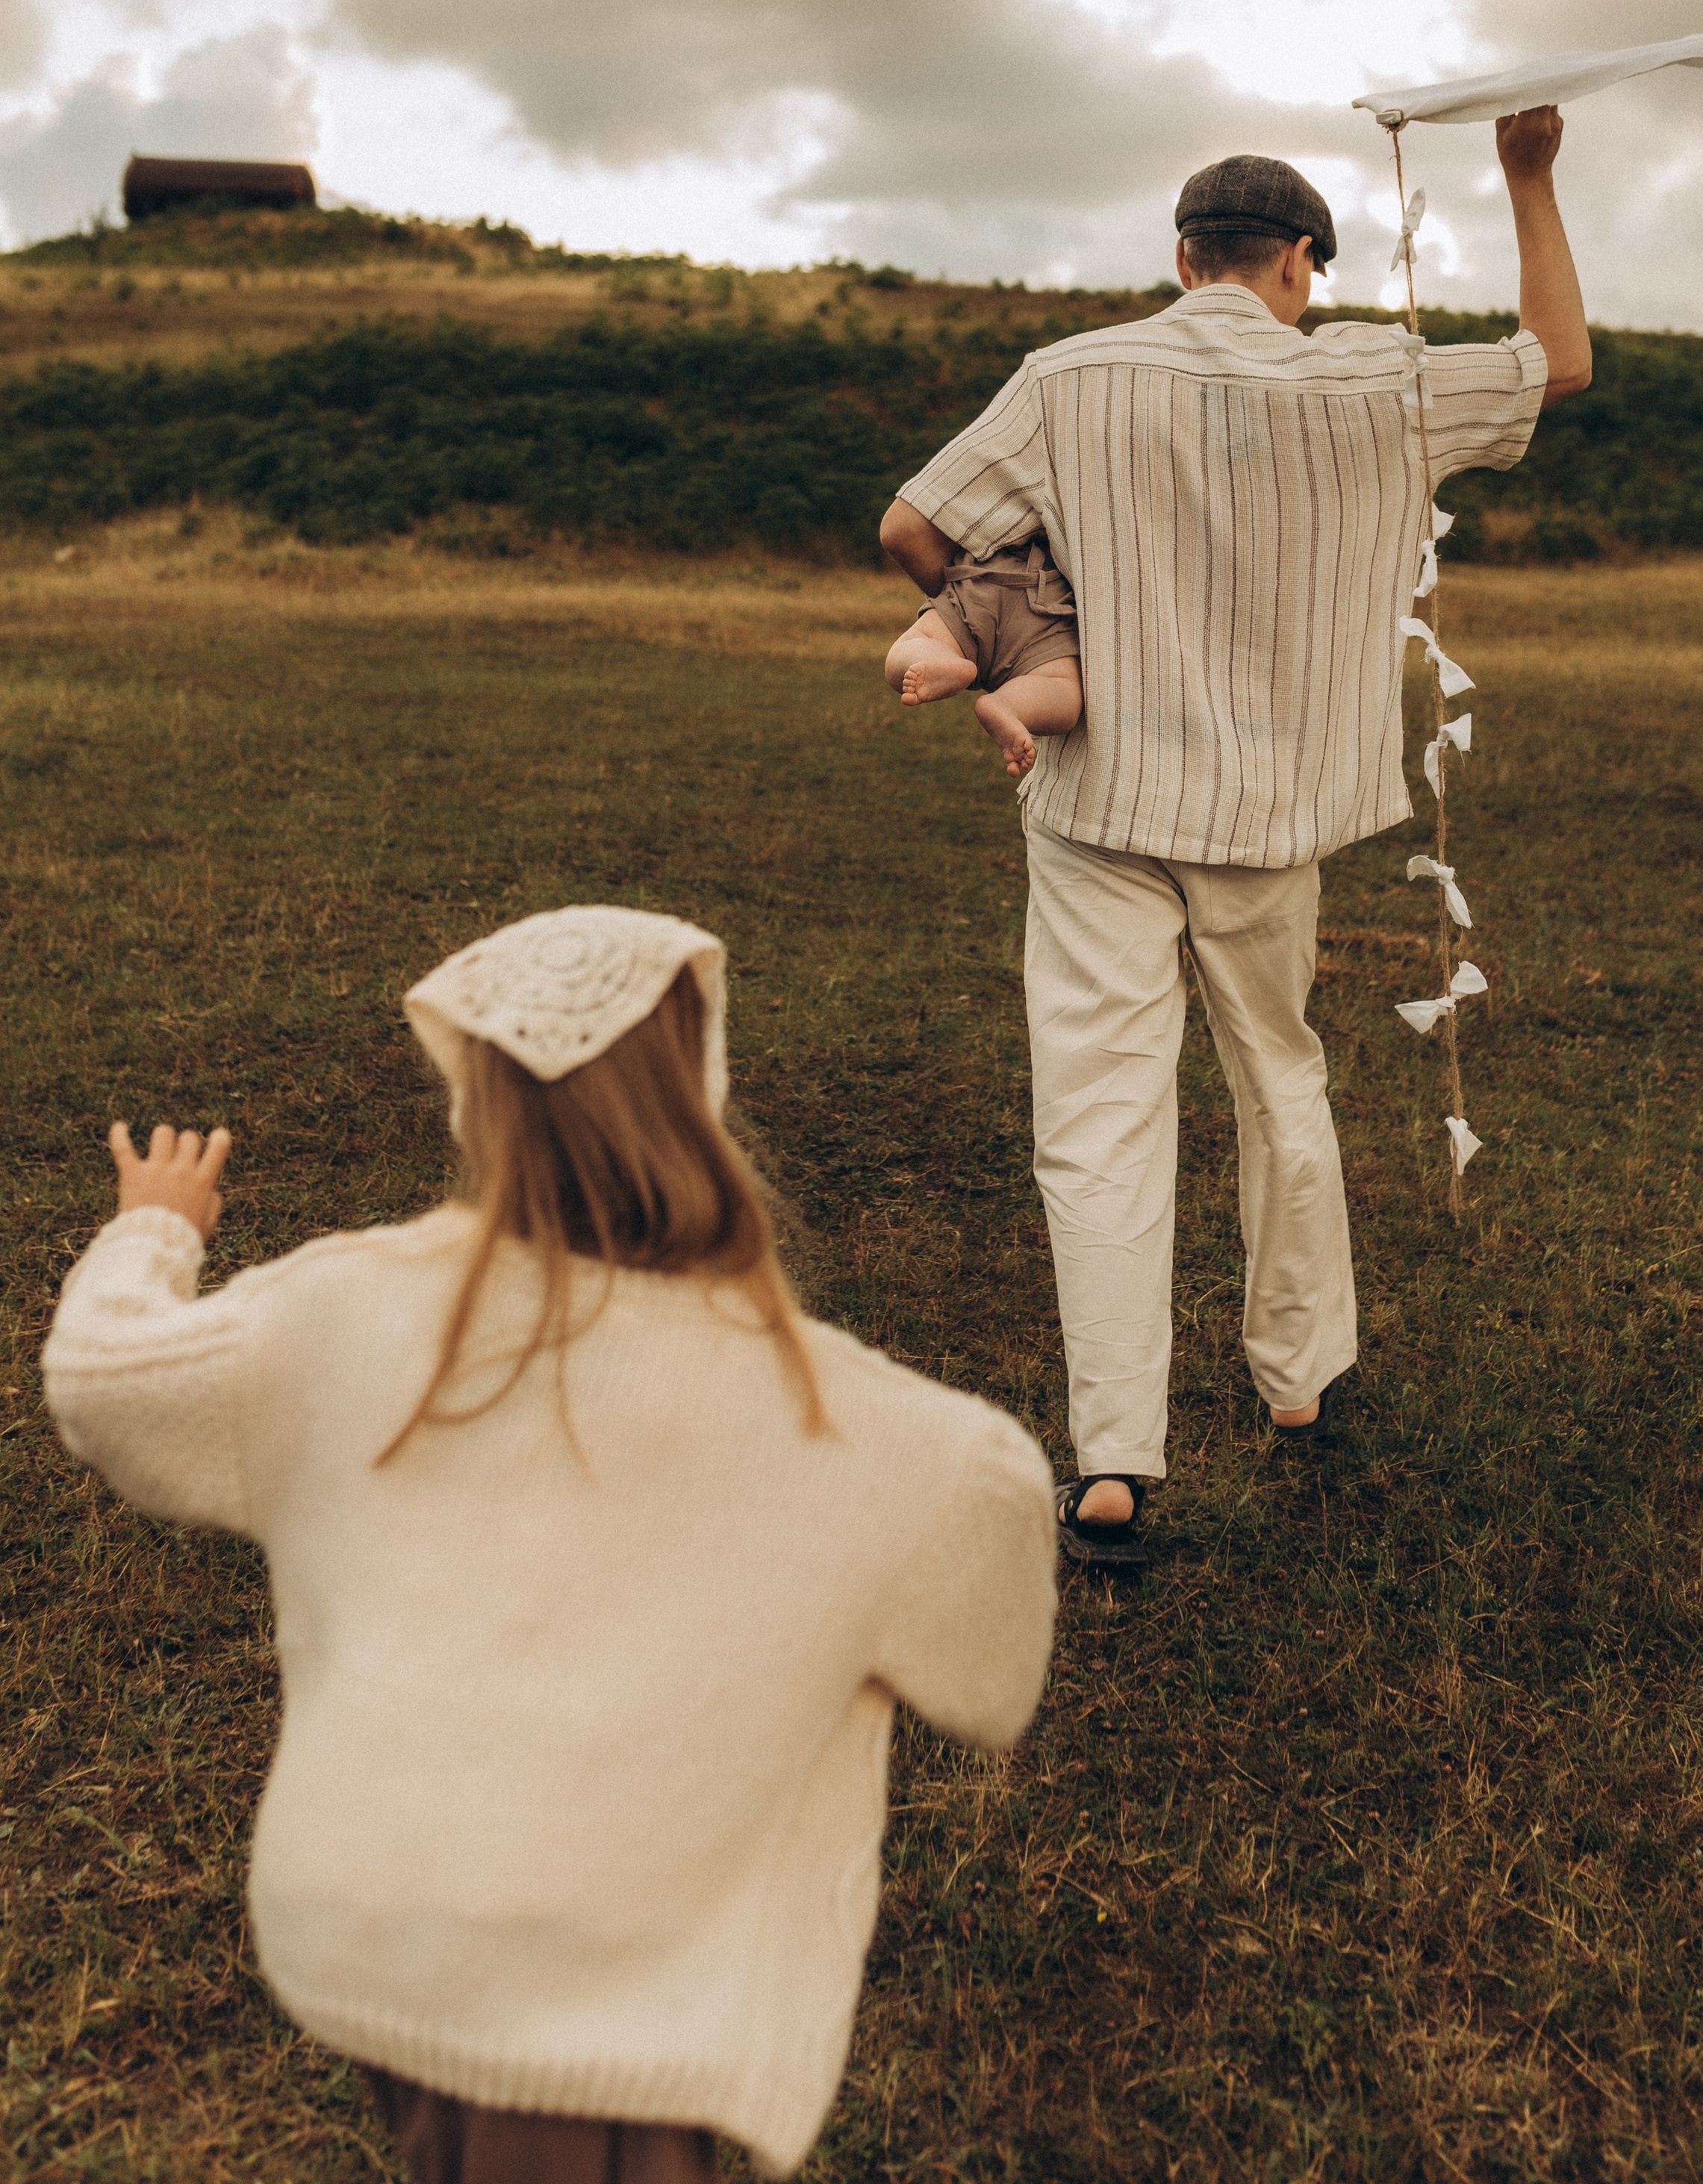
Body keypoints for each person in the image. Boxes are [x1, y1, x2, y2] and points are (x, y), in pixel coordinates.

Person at [40, 905, 1056, 2183]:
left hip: (364, 1921)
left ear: (475, 1104)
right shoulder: (866, 1430)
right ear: (704, 1086)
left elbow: (99, 1373)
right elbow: (996, 1664)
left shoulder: (336, 1311)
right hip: (597, 1984)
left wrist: (155, 1227)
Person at [879, 116, 1592, 1575]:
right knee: (1277, 1070)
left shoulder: (1068, 375)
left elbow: (911, 525)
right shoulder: (1369, 375)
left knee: (1097, 1116)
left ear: (1181, 258)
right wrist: (1526, 174)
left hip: (1094, 800)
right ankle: (1293, 1377)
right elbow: (1556, 363)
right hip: (1273, 814)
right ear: (1299, 266)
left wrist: (1022, 624)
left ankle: (1113, 1466)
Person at [883, 533, 1083, 777]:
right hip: (1051, 602)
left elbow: (908, 531)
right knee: (1063, 689)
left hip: (982, 578)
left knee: (911, 646)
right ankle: (1007, 705)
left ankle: (944, 659)